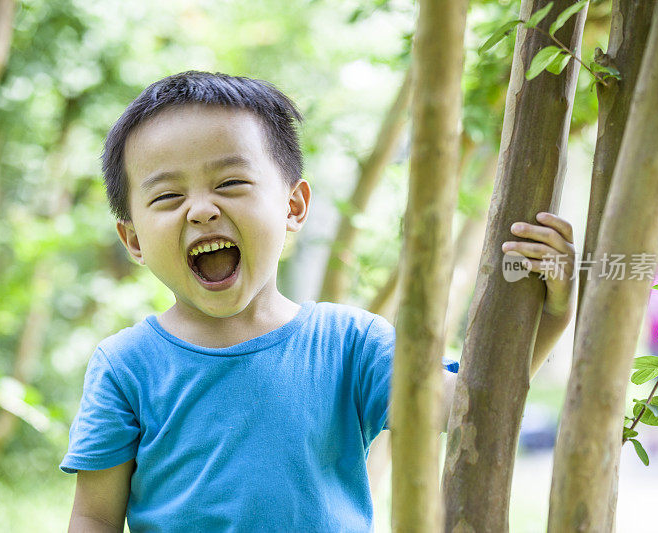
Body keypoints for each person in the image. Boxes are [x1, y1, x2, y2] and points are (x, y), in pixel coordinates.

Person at [60, 70, 576, 532]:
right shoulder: (126, 366)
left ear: (293, 205)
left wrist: (552, 316)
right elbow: (94, 516)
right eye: (168, 196)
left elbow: (469, 404)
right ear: (133, 241)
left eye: (231, 182)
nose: (201, 210)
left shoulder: (351, 345)